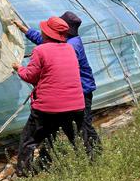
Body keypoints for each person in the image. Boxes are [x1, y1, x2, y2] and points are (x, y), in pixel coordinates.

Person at [15, 11, 100, 157]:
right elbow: (47, 43)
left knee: (82, 127)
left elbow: (48, 48)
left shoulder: (71, 46)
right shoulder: (67, 42)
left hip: (81, 91)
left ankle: (95, 154)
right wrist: (25, 30)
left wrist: (19, 68)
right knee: (66, 129)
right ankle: (88, 156)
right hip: (73, 93)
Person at [10, 16, 85, 176]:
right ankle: (88, 166)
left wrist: (19, 68)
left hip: (48, 108)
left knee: (29, 140)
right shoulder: (70, 49)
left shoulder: (40, 50)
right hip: (76, 105)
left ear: (46, 33)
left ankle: (24, 174)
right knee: (77, 139)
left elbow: (30, 76)